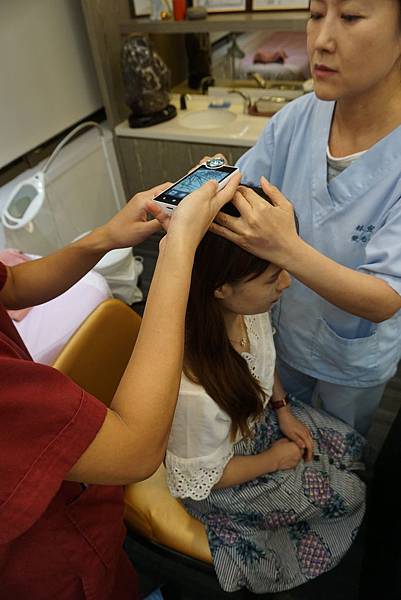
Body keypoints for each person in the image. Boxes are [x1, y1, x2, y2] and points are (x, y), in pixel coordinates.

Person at [0, 173, 240, 599]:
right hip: (44, 568)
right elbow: (136, 451)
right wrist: (177, 251)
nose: (286, 284)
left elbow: (13, 286)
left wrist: (105, 237)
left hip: (87, 520)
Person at [210, 0, 401, 435]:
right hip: (280, 333)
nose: (321, 41)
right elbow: (245, 191)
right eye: (316, 15)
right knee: (278, 429)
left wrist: (286, 249)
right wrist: (213, 190)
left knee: (342, 453)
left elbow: (385, 298)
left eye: (350, 17)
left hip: (351, 359)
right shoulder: (297, 119)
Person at [165, 231, 366, 594]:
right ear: (220, 287)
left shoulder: (245, 309)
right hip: (227, 473)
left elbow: (262, 355)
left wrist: (282, 408)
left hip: (259, 420)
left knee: (351, 447)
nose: (287, 283)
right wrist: (274, 459)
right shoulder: (193, 392)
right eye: (273, 277)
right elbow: (205, 481)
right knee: (350, 495)